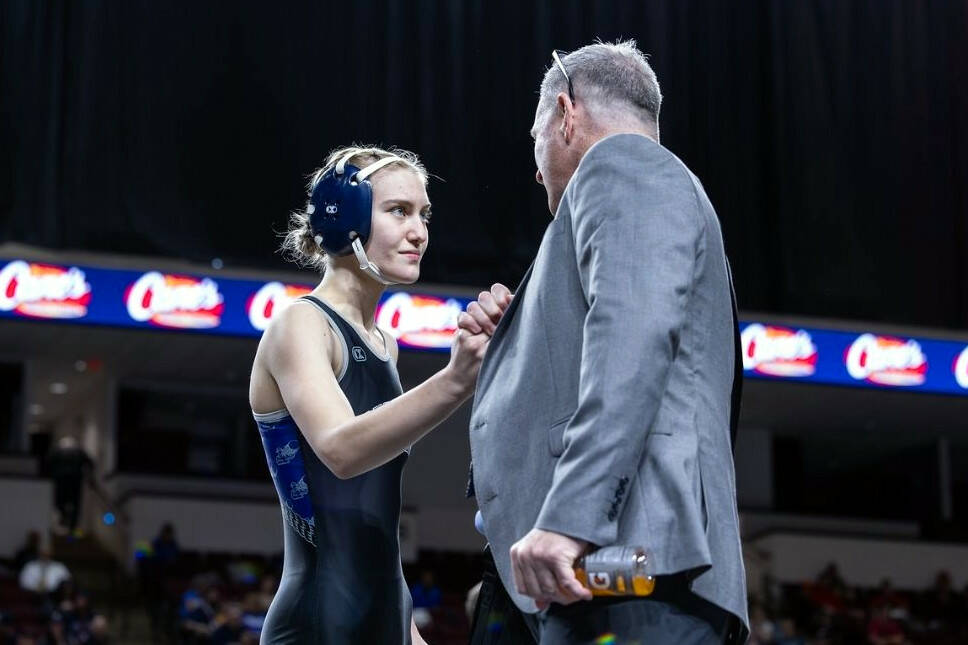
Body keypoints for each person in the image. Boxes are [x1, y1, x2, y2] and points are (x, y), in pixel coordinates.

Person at [460, 40, 748, 643]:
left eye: (536, 137)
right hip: (602, 577)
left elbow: (633, 344)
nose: (536, 168)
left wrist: (570, 520)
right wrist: (509, 353)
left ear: (566, 114)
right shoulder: (631, 191)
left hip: (625, 567)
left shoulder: (622, 163)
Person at [249, 145, 489, 644]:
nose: (418, 232)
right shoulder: (300, 324)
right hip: (314, 625)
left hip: (383, 619)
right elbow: (341, 450)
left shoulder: (385, 347)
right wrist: (456, 380)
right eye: (398, 211)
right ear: (346, 219)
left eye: (424, 214)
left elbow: (374, 538)